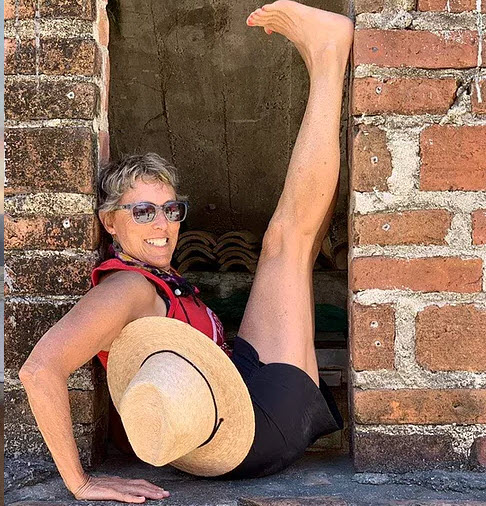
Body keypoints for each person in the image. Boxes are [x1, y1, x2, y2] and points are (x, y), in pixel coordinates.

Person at [19, 1, 354, 503]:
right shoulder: (128, 288)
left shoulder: (158, 280)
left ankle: (327, 59)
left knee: (291, 248)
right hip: (251, 429)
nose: (163, 226)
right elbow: (38, 370)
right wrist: (81, 482)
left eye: (170, 210)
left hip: (241, 401)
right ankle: (329, 56)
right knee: (286, 244)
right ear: (110, 221)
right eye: (142, 212)